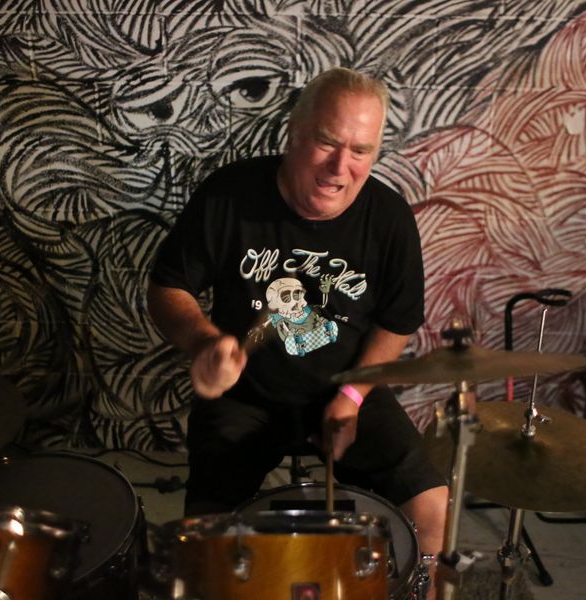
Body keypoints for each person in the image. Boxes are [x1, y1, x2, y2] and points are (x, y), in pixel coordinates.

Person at [147, 67, 448, 593]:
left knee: (433, 509)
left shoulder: (389, 218)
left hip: (347, 387)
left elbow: (397, 322)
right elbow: (168, 286)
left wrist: (352, 397)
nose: (340, 166)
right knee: (205, 538)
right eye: (327, 142)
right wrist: (203, 342)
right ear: (294, 132)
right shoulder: (230, 195)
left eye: (361, 150)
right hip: (244, 393)